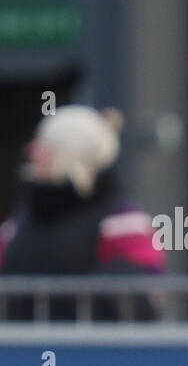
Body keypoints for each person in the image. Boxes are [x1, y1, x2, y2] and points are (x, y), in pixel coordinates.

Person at [0, 105, 161, 321]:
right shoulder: (21, 220)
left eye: (45, 146)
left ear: (69, 155)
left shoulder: (122, 222)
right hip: (22, 352)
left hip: (91, 353)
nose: (32, 151)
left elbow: (143, 295)